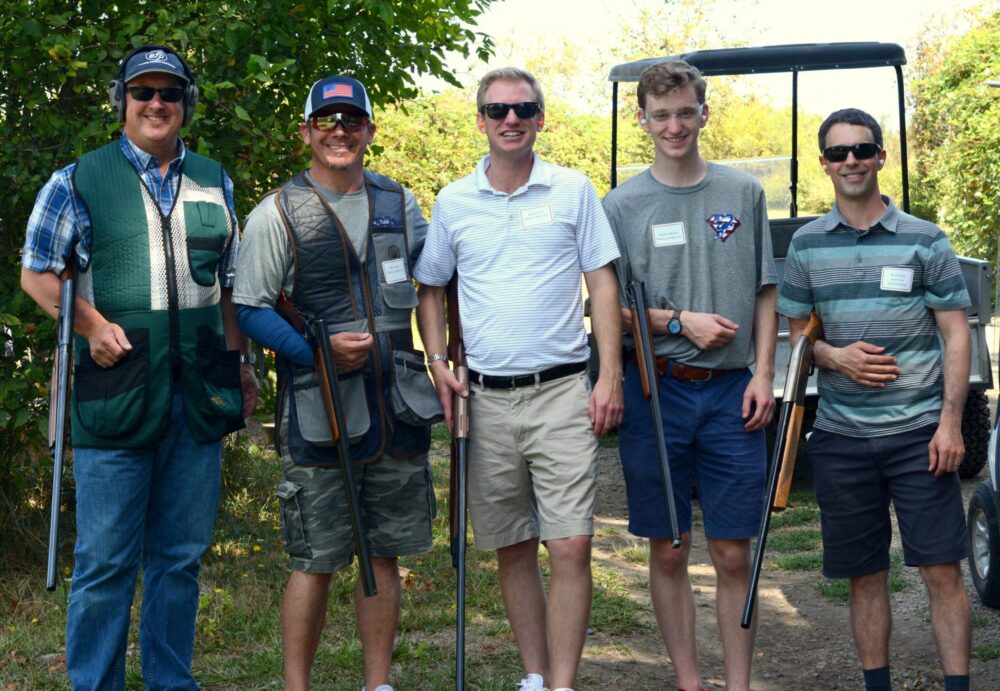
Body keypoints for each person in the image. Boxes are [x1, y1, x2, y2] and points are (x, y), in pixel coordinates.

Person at [20, 45, 257, 689]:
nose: (157, 104)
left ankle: (170, 683)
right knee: (104, 564)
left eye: (170, 93)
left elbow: (229, 286)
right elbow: (38, 274)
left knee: (180, 560)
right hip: (116, 392)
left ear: (186, 104)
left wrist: (240, 365)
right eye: (143, 92)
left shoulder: (214, 178)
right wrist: (92, 327)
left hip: (199, 394)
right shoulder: (78, 179)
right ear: (121, 99)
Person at [414, 67, 623, 691]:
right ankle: (534, 675)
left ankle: (561, 683)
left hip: (562, 390)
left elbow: (603, 283)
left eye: (524, 109)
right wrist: (436, 362)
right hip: (485, 399)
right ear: (480, 120)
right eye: (499, 110)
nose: (511, 119)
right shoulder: (453, 201)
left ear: (539, 118)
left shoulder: (573, 190)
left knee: (570, 546)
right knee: (511, 545)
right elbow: (430, 288)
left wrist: (608, 374)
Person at [232, 75, 441, 691]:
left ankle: (378, 684)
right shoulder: (276, 212)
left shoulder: (400, 203)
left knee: (384, 556)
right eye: (327, 121)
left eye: (352, 120)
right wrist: (315, 355)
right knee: (315, 561)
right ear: (307, 132)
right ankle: (298, 686)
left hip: (396, 406)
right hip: (318, 409)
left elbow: (438, 277)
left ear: (370, 131)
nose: (340, 131)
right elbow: (249, 306)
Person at [777, 108, 972, 691]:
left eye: (862, 149)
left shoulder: (925, 238)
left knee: (941, 570)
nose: (851, 161)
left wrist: (951, 424)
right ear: (824, 164)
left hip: (920, 436)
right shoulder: (806, 245)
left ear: (882, 156)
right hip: (842, 439)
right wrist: (832, 357)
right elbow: (797, 338)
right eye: (838, 153)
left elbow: (956, 332)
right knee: (865, 576)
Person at [602, 60, 777, 691]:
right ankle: (689, 682)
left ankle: (736, 684)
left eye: (684, 112)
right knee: (670, 547)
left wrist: (764, 373)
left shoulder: (742, 193)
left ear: (704, 114)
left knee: (733, 551)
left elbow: (765, 289)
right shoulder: (619, 205)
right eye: (661, 114)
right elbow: (608, 310)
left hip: (733, 391)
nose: (673, 125)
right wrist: (679, 324)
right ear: (643, 120)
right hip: (658, 390)